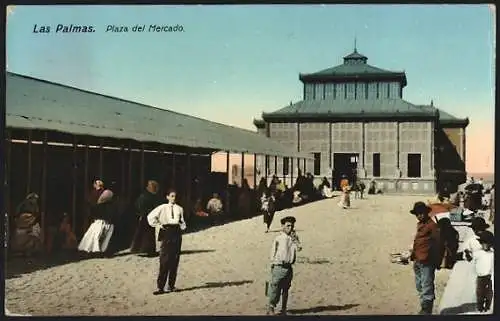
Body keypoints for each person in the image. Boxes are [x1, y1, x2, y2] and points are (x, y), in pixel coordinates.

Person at [147, 189, 187, 295]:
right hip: (167, 231)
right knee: (164, 260)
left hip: (176, 233)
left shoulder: (180, 209)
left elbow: (183, 222)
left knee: (175, 259)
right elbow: (150, 217)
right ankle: (161, 287)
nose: (174, 198)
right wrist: (159, 225)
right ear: (167, 197)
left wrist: (182, 226)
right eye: (172, 196)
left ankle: (171, 285)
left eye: (175, 196)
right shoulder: (162, 207)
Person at [409, 201, 444, 315]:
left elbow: (438, 244)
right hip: (417, 259)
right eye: (417, 214)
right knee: (419, 284)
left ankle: (426, 309)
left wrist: (437, 261)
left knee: (427, 285)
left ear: (426, 213)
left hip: (427, 260)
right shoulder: (420, 224)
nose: (419, 216)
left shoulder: (432, 226)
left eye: (421, 213)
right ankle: (423, 305)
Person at [266, 216, 301, 315]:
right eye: (288, 225)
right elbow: (273, 252)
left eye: (292, 226)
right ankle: (271, 307)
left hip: (289, 267)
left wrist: (296, 241)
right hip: (279, 266)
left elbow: (299, 248)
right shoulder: (278, 238)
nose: (290, 228)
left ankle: (284, 309)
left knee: (286, 289)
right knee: (275, 288)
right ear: (282, 226)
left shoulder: (294, 238)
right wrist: (273, 264)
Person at [130, 180, 164, 256]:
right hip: (146, 216)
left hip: (148, 217)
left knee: (148, 234)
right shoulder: (145, 196)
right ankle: (145, 249)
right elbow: (139, 205)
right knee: (146, 234)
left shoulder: (149, 195)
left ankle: (147, 249)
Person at [77, 189, 115, 255]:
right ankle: (97, 250)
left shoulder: (99, 206)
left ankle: (94, 250)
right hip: (103, 223)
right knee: (98, 237)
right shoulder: (108, 206)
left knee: (94, 237)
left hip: (98, 222)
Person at [472, 230, 494, 313]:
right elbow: (470, 259)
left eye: (487, 243)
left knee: (489, 293)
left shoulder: (492, 254)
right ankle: (480, 307)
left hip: (489, 276)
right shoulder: (478, 253)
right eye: (483, 243)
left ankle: (487, 307)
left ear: (490, 244)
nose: (485, 245)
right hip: (480, 277)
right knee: (480, 293)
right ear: (481, 243)